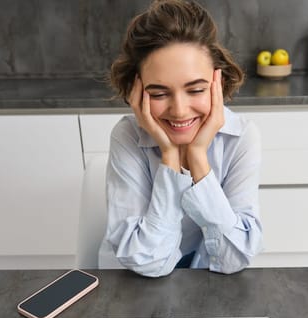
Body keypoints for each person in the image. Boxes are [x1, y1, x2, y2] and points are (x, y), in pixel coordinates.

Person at [102, 0, 262, 278]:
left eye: (196, 89)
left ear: (217, 84)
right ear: (136, 91)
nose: (179, 110)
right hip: (138, 283)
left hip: (208, 276)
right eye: (159, 93)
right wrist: (170, 156)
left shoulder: (241, 137)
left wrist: (198, 157)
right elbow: (148, 263)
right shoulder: (127, 136)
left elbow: (234, 258)